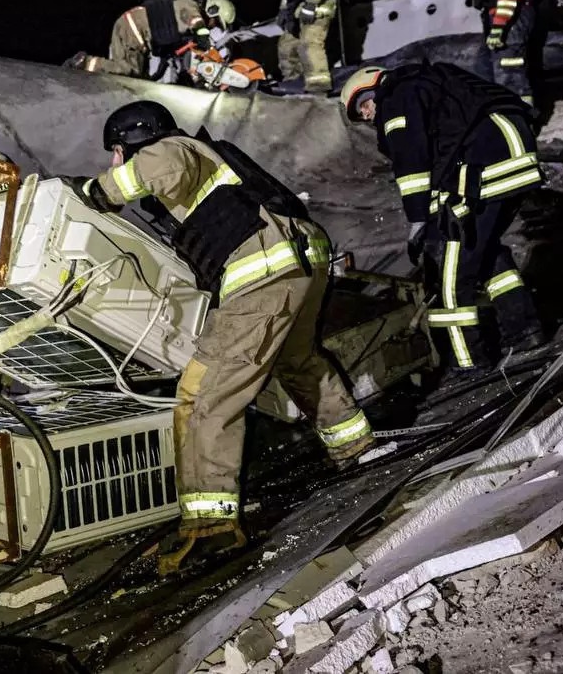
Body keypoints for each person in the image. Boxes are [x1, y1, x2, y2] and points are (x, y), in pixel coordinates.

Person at [61, 100, 374, 571]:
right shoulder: (208, 161)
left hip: (265, 274)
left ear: (137, 139)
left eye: (117, 150)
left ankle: (211, 526)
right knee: (299, 361)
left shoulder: (170, 150)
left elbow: (142, 174)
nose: (114, 160)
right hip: (299, 262)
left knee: (202, 394)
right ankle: (356, 449)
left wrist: (90, 191)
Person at [340, 64, 546, 376]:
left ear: (372, 90)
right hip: (515, 162)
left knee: (451, 277)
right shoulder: (428, 84)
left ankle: (470, 360)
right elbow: (446, 152)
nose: (367, 116)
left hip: (488, 170)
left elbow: (412, 164)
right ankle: (525, 330)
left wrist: (418, 220)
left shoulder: (396, 99)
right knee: (485, 251)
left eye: (363, 106)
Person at [70, 0, 236, 78]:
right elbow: (194, 20)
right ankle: (84, 62)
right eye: (216, 22)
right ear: (212, 10)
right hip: (134, 26)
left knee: (137, 77)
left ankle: (87, 65)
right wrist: (205, 40)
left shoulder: (183, 25)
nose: (213, 26)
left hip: (135, 28)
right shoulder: (190, 5)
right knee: (131, 70)